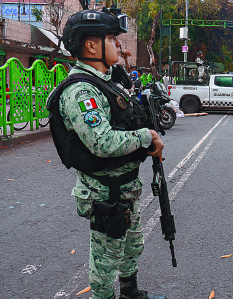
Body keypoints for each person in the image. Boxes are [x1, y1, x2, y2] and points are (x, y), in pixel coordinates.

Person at [49, 8, 166, 299]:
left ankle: (130, 292)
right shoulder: (81, 91)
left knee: (131, 245)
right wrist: (145, 136)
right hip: (103, 194)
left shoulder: (107, 81)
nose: (118, 45)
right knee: (105, 259)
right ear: (91, 45)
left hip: (125, 187)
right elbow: (101, 142)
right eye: (112, 38)